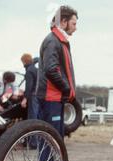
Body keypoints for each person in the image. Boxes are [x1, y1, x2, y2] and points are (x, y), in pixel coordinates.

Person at [36, 5, 78, 138]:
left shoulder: (61, 41)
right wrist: (66, 88)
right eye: (73, 23)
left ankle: (55, 160)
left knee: (56, 141)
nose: (75, 28)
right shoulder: (53, 41)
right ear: (64, 22)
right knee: (50, 141)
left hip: (57, 98)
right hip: (50, 99)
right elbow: (51, 69)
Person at [21, 53, 39, 120]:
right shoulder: (36, 69)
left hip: (33, 95)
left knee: (32, 114)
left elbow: (29, 86)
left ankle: (33, 128)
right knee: (37, 113)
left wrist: (25, 99)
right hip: (38, 94)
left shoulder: (29, 71)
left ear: (24, 61)